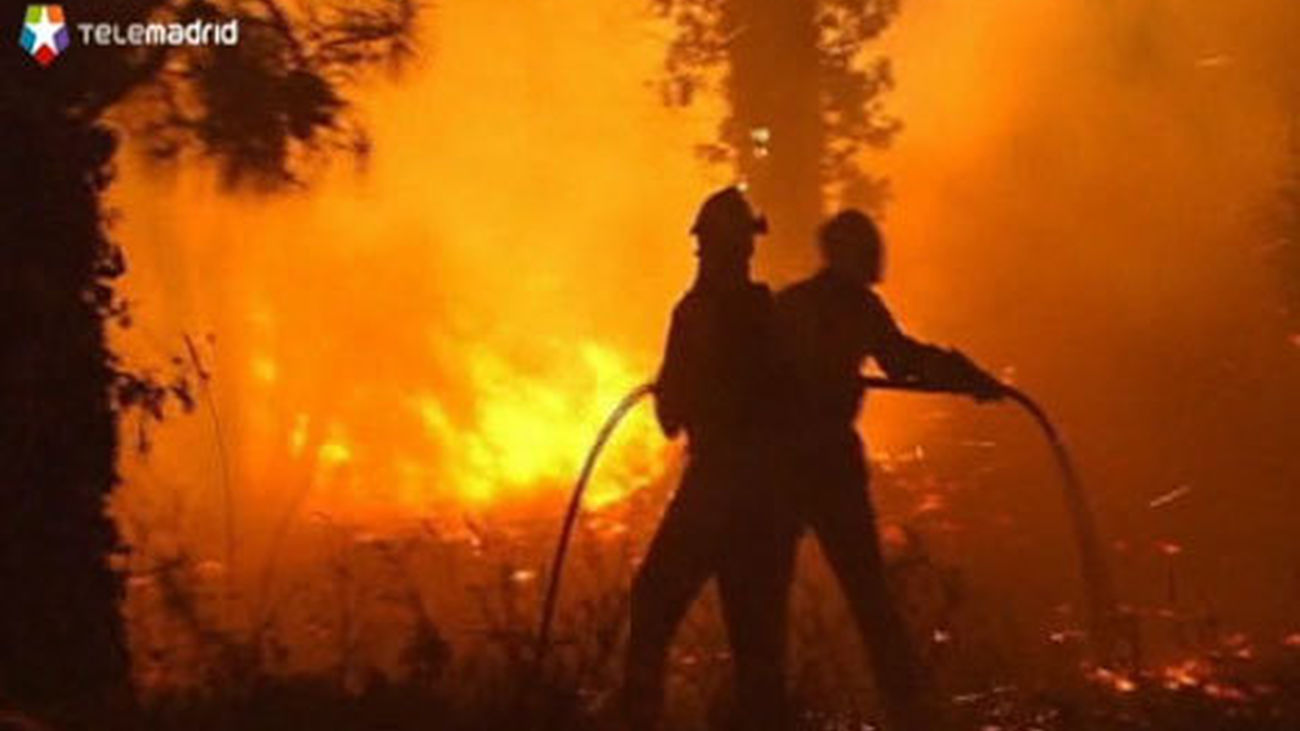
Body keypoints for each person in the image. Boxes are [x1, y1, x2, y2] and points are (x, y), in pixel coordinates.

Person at [775, 209, 1004, 731]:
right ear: (849, 254)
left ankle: (898, 708)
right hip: (801, 463)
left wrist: (965, 375)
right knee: (842, 591)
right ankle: (898, 708)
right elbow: (902, 361)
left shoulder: (834, 307)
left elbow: (902, 360)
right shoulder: (822, 308)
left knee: (842, 589)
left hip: (809, 462)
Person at [624, 187, 796, 731]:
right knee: (759, 648)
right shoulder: (769, 314)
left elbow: (671, 416)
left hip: (715, 491)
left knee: (652, 607)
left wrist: (674, 391)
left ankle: (639, 719)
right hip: (766, 503)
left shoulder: (695, 313)